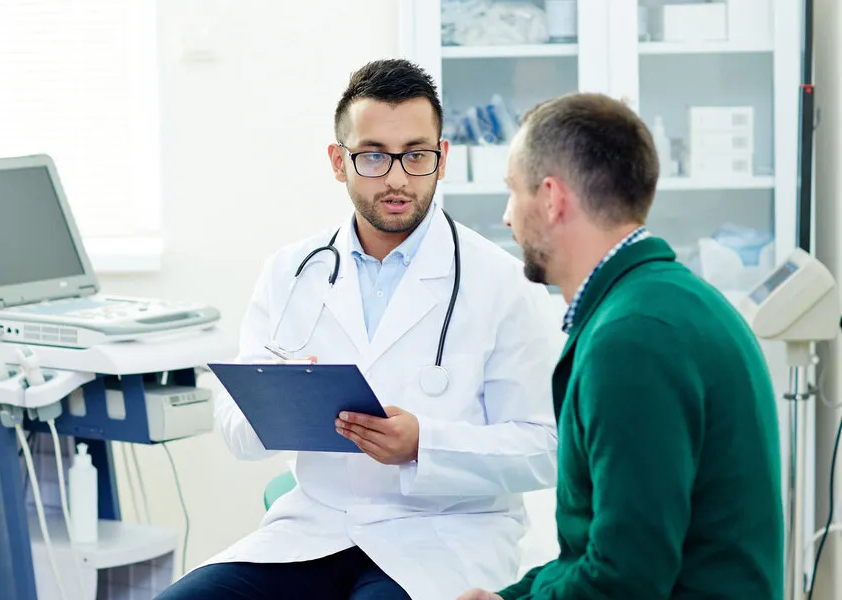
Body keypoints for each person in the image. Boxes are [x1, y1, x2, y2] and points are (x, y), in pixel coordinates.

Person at [155, 59, 563, 600]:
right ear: (338, 161)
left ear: (441, 160)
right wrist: (280, 401)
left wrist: (426, 444)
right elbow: (235, 431)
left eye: (415, 155)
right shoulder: (290, 272)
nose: (396, 178)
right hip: (316, 529)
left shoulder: (503, 284)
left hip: (443, 535)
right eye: (373, 156)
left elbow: (545, 447)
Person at [458, 93, 783, 600]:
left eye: (512, 193)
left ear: (551, 198)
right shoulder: (670, 302)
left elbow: (626, 579)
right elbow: (598, 551)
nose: (506, 217)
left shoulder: (632, 339)